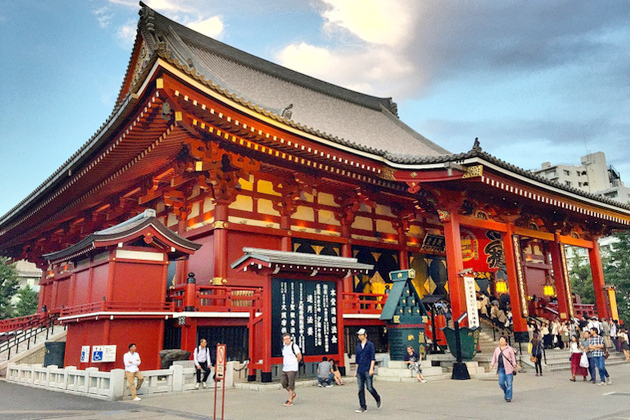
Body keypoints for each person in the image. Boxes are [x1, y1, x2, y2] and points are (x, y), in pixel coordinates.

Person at [354, 328, 382, 413]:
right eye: (359, 335)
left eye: (361, 335)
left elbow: (372, 358)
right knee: (360, 388)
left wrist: (371, 368)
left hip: (367, 369)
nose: (360, 336)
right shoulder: (358, 346)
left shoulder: (370, 345)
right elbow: (357, 359)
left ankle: (377, 398)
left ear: (365, 335)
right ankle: (363, 406)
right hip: (360, 369)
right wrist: (356, 371)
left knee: (369, 387)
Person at [489, 336, 520, 402]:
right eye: (500, 340)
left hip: (509, 368)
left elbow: (513, 358)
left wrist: (515, 365)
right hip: (501, 368)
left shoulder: (509, 349)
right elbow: (494, 357)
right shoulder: (497, 349)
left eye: (503, 340)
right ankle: (506, 392)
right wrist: (492, 365)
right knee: (501, 383)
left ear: (506, 341)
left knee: (509, 383)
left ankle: (508, 397)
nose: (501, 341)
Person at [280, 333, 301, 406]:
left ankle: (290, 400)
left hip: (292, 368)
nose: (287, 340)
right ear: (283, 340)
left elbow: (299, 356)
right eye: (285, 339)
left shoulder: (294, 346)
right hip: (285, 367)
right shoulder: (284, 347)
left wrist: (295, 363)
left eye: (288, 338)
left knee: (291, 384)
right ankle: (292, 394)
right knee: (283, 383)